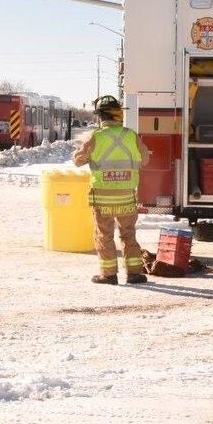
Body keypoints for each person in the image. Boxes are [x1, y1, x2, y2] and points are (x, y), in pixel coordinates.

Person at [72, 95, 151, 285]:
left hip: (103, 198)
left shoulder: (96, 137)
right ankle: (134, 273)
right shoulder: (131, 135)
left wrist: (80, 152)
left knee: (104, 236)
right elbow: (145, 159)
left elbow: (77, 161)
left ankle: (108, 275)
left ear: (101, 117)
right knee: (128, 234)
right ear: (118, 115)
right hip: (126, 197)